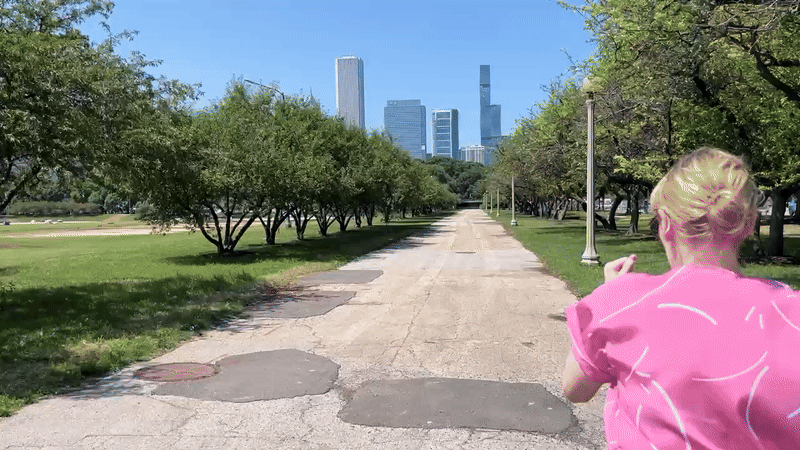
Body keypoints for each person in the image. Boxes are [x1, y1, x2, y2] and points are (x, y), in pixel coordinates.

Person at [562, 147, 800, 449]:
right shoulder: (792, 313)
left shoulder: (621, 301)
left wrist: (608, 294)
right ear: (750, 225)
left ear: (667, 224)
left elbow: (575, 389)